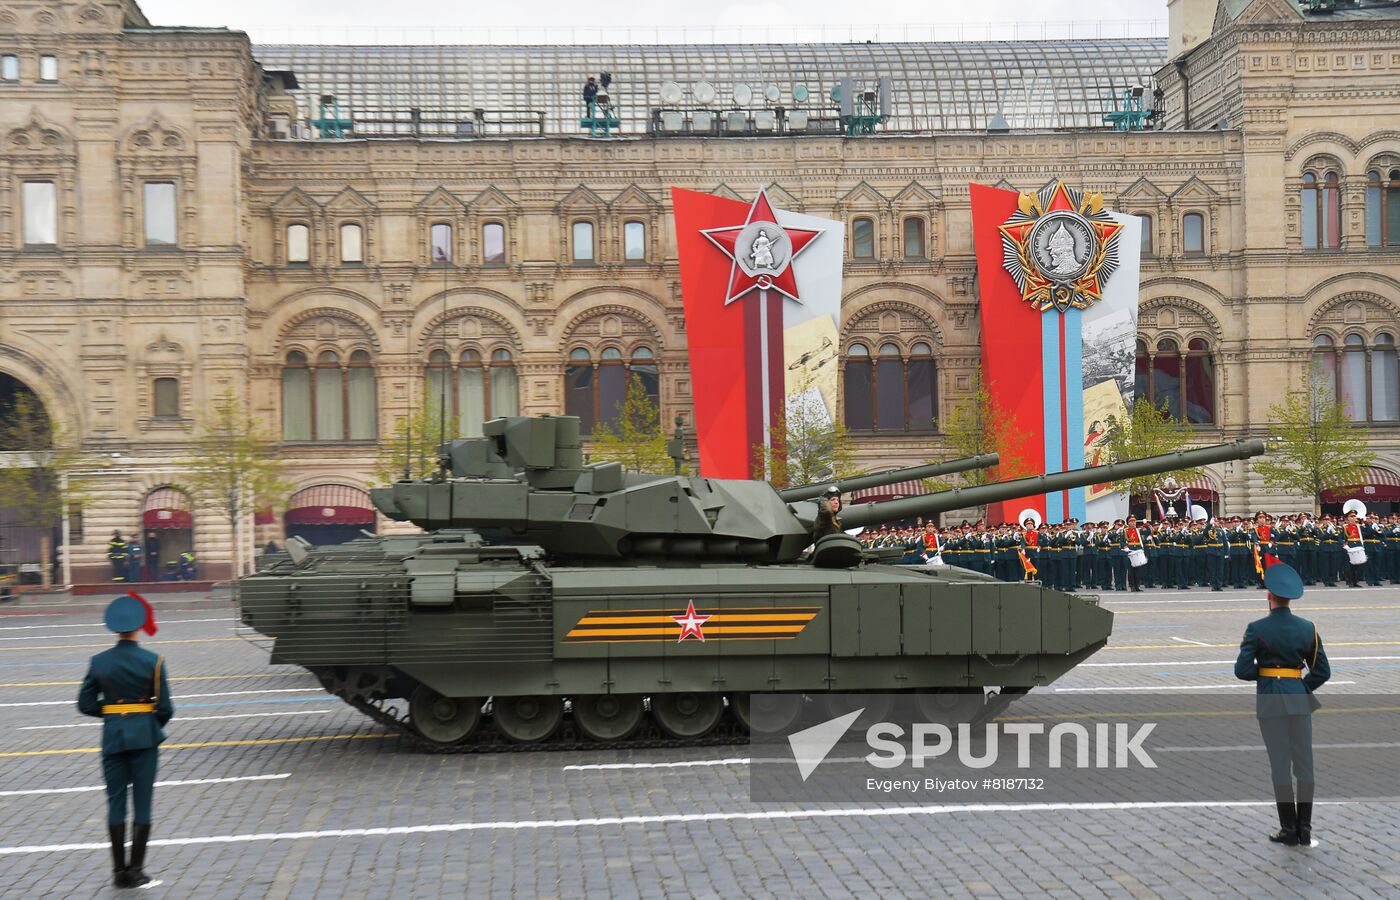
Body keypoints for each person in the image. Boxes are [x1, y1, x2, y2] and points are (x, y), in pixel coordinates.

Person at [77, 593, 173, 888]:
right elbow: (166, 708)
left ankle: (119, 872)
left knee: (115, 803)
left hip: (113, 737)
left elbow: (85, 703)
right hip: (144, 737)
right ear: (139, 626)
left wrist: (113, 716)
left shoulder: (99, 661)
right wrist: (146, 722)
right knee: (143, 804)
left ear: (114, 628)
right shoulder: (153, 661)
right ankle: (137, 870)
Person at [1234, 561, 1329, 848]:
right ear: (1291, 598)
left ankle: (1288, 828)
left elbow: (1242, 670)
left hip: (1270, 702)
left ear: (1269, 596)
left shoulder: (1257, 628)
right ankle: (1306, 829)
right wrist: (1299, 687)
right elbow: (1322, 671)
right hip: (1299, 701)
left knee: (1279, 765)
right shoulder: (1307, 628)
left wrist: (1265, 677)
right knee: (1305, 766)